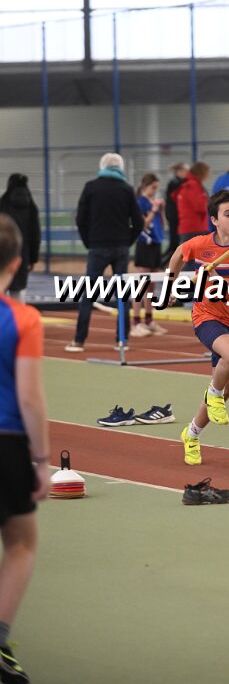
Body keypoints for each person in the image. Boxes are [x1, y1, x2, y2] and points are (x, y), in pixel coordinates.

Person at [168, 189, 229, 466]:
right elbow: (179, 253)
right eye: (228, 214)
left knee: (226, 390)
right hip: (207, 316)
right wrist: (171, 283)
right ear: (214, 220)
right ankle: (213, 395)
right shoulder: (201, 245)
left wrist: (221, 279)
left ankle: (191, 434)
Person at [0, 214, 50, 684]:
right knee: (20, 543)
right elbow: (30, 397)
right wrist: (42, 460)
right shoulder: (22, 319)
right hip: (7, 444)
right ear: (16, 264)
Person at [65, 153, 144, 353]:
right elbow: (139, 221)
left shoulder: (91, 187)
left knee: (88, 293)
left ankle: (79, 340)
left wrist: (89, 242)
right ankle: (122, 340)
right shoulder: (126, 189)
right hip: (121, 247)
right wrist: (127, 241)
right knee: (122, 294)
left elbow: (80, 219)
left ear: (102, 166)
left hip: (97, 246)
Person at [130, 173, 167, 338]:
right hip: (144, 244)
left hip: (156, 243)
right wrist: (153, 210)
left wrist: (161, 210)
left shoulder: (153, 202)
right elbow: (142, 224)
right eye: (153, 187)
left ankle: (149, 319)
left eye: (157, 188)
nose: (155, 191)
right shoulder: (140, 202)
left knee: (152, 285)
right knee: (142, 283)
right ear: (145, 186)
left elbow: (162, 225)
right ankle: (136, 321)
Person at [0, 175, 40, 304]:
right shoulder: (31, 207)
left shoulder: (3, 204)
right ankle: (18, 315)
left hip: (3, 252)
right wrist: (33, 258)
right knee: (19, 290)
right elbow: (35, 235)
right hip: (23, 254)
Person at [176, 162, 210, 252]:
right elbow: (201, 207)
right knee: (194, 257)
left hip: (190, 227)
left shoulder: (189, 184)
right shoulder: (193, 186)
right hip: (194, 228)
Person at [161, 162, 189, 266]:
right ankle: (163, 263)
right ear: (179, 171)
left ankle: (163, 262)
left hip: (174, 215)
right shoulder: (175, 183)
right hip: (174, 216)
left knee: (175, 241)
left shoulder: (176, 182)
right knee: (174, 242)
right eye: (185, 171)